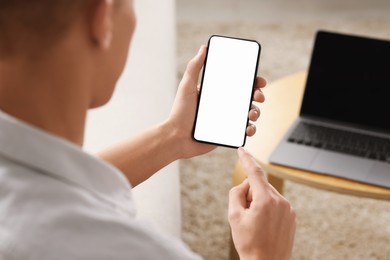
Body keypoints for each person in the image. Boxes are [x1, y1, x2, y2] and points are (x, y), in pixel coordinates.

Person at [0, 0, 296, 259]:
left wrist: (173, 135)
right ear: (102, 19)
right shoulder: (133, 251)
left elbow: (49, 185)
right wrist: (264, 254)